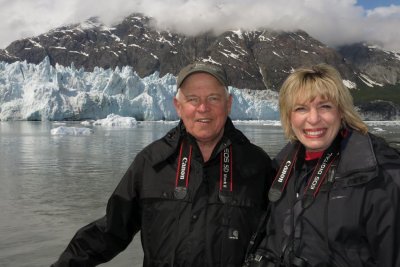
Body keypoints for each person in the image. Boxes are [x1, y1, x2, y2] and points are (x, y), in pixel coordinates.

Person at [52, 62, 273, 267]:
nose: (203, 108)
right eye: (193, 99)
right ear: (178, 106)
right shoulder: (152, 162)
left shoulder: (257, 165)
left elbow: (282, 237)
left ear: (229, 103)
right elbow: (111, 230)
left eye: (214, 98)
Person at [243, 63, 400, 267]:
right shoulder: (282, 169)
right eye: (301, 108)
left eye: (325, 106)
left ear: (341, 112)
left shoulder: (380, 173)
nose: (314, 119)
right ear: (289, 117)